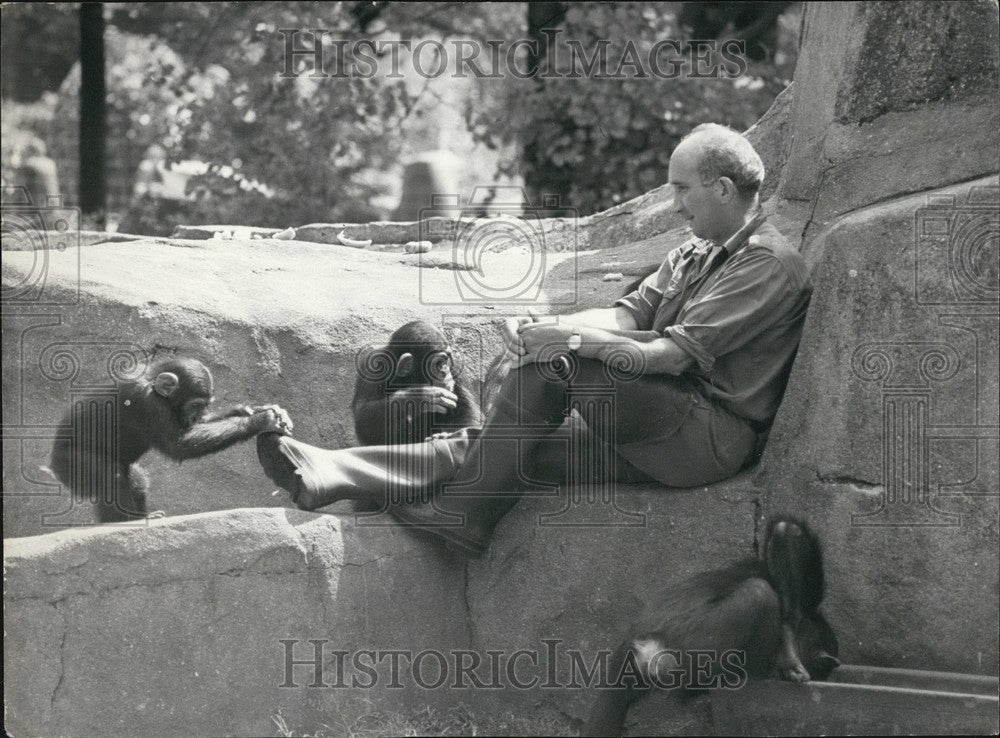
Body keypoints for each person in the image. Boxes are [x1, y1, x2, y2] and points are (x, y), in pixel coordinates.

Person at [257, 123, 812, 557]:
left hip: (705, 438)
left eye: (682, 190)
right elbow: (626, 316)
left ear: (721, 188)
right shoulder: (696, 248)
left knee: (554, 367)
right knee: (499, 447)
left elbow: (669, 354)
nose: (674, 205)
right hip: (653, 432)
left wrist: (565, 343)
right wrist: (540, 326)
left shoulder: (765, 263)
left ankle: (467, 514)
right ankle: (331, 472)